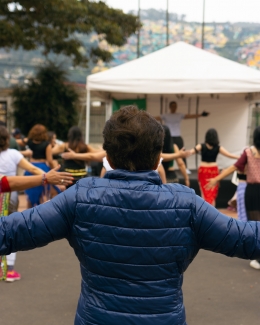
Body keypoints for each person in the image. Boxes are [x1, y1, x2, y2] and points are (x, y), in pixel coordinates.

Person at [1, 106, 260, 324]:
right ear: (159, 156)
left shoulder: (81, 197)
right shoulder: (186, 203)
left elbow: (10, 232)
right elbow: (247, 239)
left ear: (109, 158)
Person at [206, 126, 260, 270]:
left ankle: (258, 256)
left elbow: (234, 167)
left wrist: (216, 178)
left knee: (254, 223)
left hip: (253, 191)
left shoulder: (248, 152)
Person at [188, 128, 239, 206]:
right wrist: (240, 157)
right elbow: (229, 155)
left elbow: (191, 152)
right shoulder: (218, 147)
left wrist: (181, 154)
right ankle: (213, 213)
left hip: (203, 171)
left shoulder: (201, 146)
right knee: (212, 193)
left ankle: (204, 213)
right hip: (213, 171)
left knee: (204, 192)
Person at [159, 101, 209, 169]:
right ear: (170, 107)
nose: (174, 107)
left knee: (182, 152)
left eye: (175, 106)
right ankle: (165, 168)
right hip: (168, 137)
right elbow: (156, 118)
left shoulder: (179, 115)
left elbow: (190, 116)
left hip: (177, 136)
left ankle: (185, 168)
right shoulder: (165, 115)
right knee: (166, 151)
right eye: (172, 106)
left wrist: (200, 114)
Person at [20, 124, 58, 207]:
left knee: (30, 195)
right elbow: (50, 160)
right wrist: (54, 169)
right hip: (42, 167)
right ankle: (41, 215)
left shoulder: (29, 142)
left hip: (30, 167)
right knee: (43, 194)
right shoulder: (47, 144)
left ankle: (27, 216)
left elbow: (20, 141)